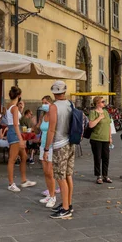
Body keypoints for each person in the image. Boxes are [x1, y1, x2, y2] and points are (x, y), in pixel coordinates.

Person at [44, 80, 75, 219]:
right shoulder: (70, 103)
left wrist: (46, 148)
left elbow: (51, 129)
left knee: (60, 178)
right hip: (70, 142)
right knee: (68, 175)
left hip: (59, 144)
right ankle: (68, 203)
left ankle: (65, 209)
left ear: (54, 92)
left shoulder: (53, 107)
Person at [5, 86, 36, 192]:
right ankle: (11, 183)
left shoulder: (10, 106)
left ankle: (23, 180)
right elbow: (15, 124)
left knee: (24, 156)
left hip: (13, 132)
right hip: (14, 133)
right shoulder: (14, 108)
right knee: (12, 159)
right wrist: (21, 139)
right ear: (19, 95)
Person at [38, 95, 57, 208]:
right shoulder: (44, 115)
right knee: (45, 172)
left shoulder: (54, 116)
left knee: (50, 172)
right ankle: (49, 194)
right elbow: (39, 129)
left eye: (45, 102)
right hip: (42, 145)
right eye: (42, 102)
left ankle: (53, 196)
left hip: (51, 146)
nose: (44, 105)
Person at [88, 96, 112, 184]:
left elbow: (109, 125)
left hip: (105, 138)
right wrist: (99, 118)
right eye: (102, 101)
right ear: (97, 103)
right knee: (97, 157)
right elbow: (91, 125)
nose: (104, 103)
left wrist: (110, 137)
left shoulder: (105, 112)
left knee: (106, 157)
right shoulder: (93, 112)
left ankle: (105, 175)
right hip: (96, 138)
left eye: (104, 101)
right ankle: (98, 176)